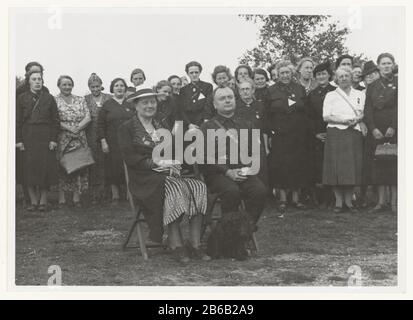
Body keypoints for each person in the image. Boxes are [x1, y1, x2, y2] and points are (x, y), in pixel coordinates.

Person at [118, 87, 209, 263]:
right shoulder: (127, 128)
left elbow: (173, 150)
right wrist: (157, 163)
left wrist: (174, 161)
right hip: (143, 178)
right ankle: (176, 244)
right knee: (173, 186)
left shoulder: (161, 125)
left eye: (152, 102)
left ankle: (195, 244)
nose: (150, 106)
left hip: (167, 173)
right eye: (145, 102)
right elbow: (130, 158)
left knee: (199, 186)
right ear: (136, 105)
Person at [200, 86, 267, 225]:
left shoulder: (247, 124)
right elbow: (203, 156)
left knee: (259, 191)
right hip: (218, 174)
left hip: (243, 172)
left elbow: (257, 151)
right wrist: (227, 171)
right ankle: (227, 232)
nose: (227, 101)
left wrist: (246, 170)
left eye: (230, 97)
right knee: (232, 192)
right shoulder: (207, 127)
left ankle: (246, 228)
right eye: (222, 98)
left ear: (235, 100)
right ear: (215, 104)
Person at [266, 60, 313, 211]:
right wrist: (270, 133)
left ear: (292, 73)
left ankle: (296, 198)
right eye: (282, 73)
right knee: (281, 166)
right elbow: (267, 114)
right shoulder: (271, 91)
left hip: (298, 134)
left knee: (297, 165)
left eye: (287, 72)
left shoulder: (299, 89)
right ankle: (282, 199)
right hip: (280, 135)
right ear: (277, 75)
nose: (285, 75)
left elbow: (306, 111)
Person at [322, 67, 366, 213]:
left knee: (351, 167)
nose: (344, 78)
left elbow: (362, 112)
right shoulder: (331, 95)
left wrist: (357, 119)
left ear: (351, 77)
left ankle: (349, 202)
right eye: (341, 76)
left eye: (347, 75)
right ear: (337, 79)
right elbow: (326, 117)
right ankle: (339, 202)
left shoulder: (360, 94)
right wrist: (343, 121)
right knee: (336, 167)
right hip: (336, 133)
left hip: (353, 133)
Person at [16, 70, 59, 212]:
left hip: (45, 137)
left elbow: (55, 121)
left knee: (45, 168)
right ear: (28, 81)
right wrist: (19, 140)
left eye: (39, 79)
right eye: (34, 79)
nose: (37, 81)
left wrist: (53, 139)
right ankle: (33, 201)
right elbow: (17, 121)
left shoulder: (49, 98)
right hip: (28, 136)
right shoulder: (21, 98)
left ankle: (43, 200)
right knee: (29, 169)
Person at [364, 53, 398, 213]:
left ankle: (394, 203)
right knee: (379, 165)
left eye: (389, 63)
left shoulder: (401, 83)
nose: (386, 66)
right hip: (376, 131)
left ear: (393, 65)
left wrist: (394, 126)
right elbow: (368, 110)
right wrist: (373, 128)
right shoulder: (372, 86)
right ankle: (381, 202)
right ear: (378, 66)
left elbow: (402, 107)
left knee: (394, 165)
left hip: (394, 131)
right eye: (383, 63)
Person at [55, 75, 91, 208]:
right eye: (64, 84)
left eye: (69, 84)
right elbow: (54, 118)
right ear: (59, 86)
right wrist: (69, 128)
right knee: (64, 166)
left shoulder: (80, 99)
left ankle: (77, 197)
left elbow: (88, 116)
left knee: (79, 165)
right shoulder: (54, 100)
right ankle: (62, 197)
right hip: (64, 137)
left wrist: (77, 128)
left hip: (80, 136)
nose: (67, 87)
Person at [97, 78, 134, 205]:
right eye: (116, 86)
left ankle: (130, 195)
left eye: (122, 86)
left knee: (130, 166)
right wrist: (103, 141)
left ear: (125, 88)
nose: (119, 88)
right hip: (112, 141)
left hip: (129, 141)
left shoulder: (131, 104)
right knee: (113, 167)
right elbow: (100, 125)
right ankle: (115, 196)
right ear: (112, 88)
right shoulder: (107, 105)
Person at [307, 62, 336, 208]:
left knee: (333, 166)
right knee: (319, 167)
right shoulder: (312, 94)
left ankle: (334, 197)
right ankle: (321, 199)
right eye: (318, 74)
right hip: (318, 136)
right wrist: (316, 133)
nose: (321, 76)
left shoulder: (336, 92)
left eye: (324, 73)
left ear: (329, 75)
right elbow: (309, 117)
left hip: (334, 133)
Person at [84, 73, 112, 204]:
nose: (95, 89)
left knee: (106, 163)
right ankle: (94, 193)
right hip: (90, 134)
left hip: (106, 134)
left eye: (97, 86)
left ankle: (106, 192)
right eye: (92, 87)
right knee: (93, 163)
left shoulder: (108, 98)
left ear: (101, 86)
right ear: (89, 87)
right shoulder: (85, 99)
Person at [235, 79, 269, 186]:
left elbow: (265, 128)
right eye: (242, 89)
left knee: (261, 171)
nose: (245, 92)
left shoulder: (260, 106)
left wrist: (266, 147)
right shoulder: (234, 107)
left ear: (253, 90)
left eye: (247, 89)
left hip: (258, 144)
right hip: (241, 145)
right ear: (239, 92)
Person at [178, 61, 213, 129]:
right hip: (189, 125)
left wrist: (205, 122)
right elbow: (182, 110)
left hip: (204, 123)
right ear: (187, 74)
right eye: (191, 73)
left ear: (200, 72)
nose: (194, 75)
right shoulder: (183, 90)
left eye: (196, 72)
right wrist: (189, 124)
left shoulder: (207, 86)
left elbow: (208, 106)